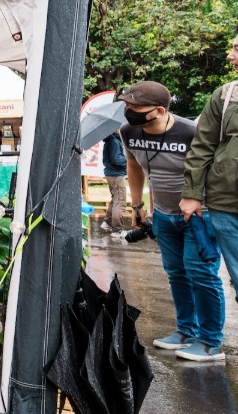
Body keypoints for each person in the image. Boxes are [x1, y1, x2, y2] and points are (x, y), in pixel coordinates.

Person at [119, 81, 225, 362]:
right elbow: (133, 165)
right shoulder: (128, 131)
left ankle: (211, 342)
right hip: (164, 215)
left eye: (135, 107)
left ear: (159, 111)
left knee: (201, 274)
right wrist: (138, 204)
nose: (128, 110)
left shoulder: (191, 132)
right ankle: (186, 331)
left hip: (199, 214)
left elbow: (213, 170)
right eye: (126, 105)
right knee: (176, 273)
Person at [181, 31, 238, 317]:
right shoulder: (225, 95)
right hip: (226, 205)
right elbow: (202, 146)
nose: (230, 56)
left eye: (237, 49)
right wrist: (192, 194)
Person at [101, 129, 128, 234]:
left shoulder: (112, 140)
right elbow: (117, 159)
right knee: (120, 202)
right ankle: (117, 230)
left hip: (112, 174)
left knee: (115, 200)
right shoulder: (114, 141)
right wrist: (129, 159)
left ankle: (107, 222)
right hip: (116, 174)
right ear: (115, 129)